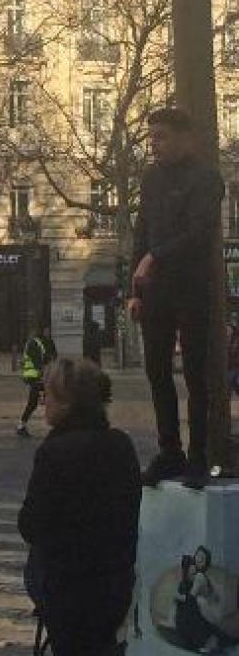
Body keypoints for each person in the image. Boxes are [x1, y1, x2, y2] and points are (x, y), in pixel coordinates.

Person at [18, 358, 140, 656]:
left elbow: (31, 525)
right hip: (115, 580)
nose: (43, 401)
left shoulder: (54, 453)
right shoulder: (121, 445)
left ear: (66, 403)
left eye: (48, 394)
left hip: (68, 585)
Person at [128, 107, 224, 489]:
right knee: (157, 372)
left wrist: (155, 257)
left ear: (186, 138)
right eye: (151, 138)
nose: (154, 145)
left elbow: (198, 233)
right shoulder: (151, 179)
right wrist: (134, 290)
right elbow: (141, 230)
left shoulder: (207, 179)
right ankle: (170, 451)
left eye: (161, 137)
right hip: (156, 290)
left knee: (196, 375)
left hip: (192, 288)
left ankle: (198, 455)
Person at [16, 326, 57, 438]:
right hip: (35, 376)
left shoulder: (46, 342)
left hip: (40, 376)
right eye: (46, 330)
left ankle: (22, 425)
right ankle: (21, 425)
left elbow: (53, 356)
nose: (48, 332)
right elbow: (37, 360)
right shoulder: (35, 343)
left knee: (34, 401)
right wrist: (43, 372)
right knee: (35, 401)